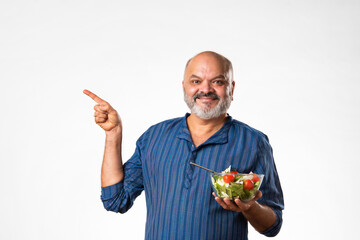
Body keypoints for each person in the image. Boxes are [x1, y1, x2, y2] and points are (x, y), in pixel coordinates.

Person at [83, 51, 284, 240]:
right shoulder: (154, 137)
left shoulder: (254, 142)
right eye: (196, 81)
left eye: (218, 82)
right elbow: (115, 200)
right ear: (184, 87)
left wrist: (250, 207)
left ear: (232, 88)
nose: (205, 89)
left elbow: (273, 225)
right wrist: (113, 134)